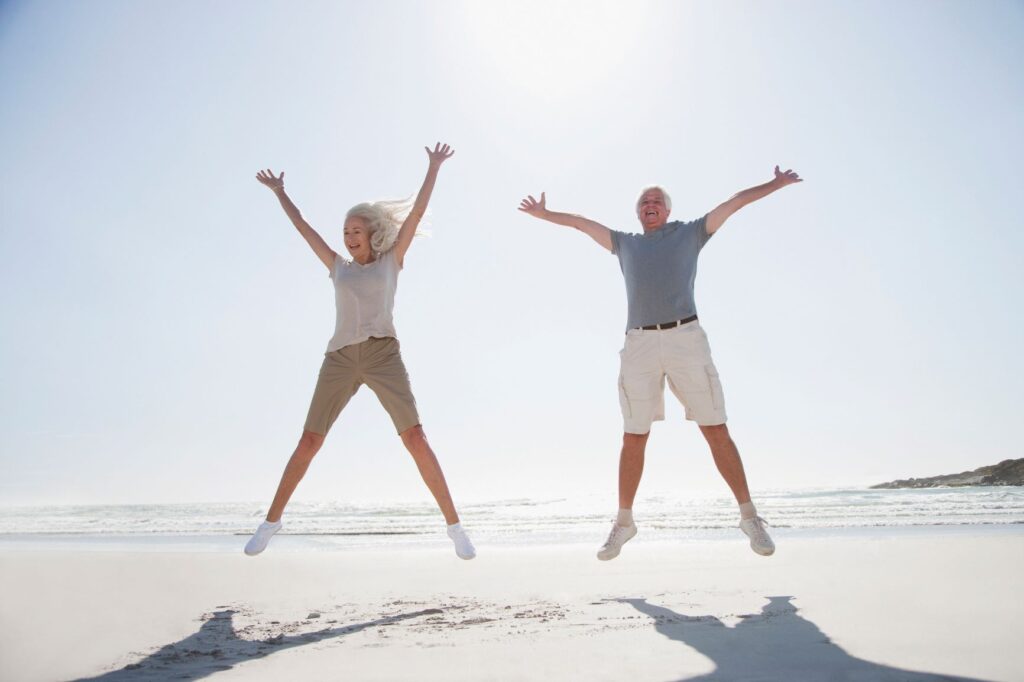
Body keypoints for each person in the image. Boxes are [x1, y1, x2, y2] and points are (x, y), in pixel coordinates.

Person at [518, 166, 802, 559]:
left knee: (715, 428)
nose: (649, 206)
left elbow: (733, 204)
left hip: (686, 338)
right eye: (643, 203)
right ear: (639, 214)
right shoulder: (626, 244)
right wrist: (545, 215)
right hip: (639, 343)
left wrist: (775, 184)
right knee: (634, 435)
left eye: (656, 201)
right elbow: (583, 224)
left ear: (667, 211)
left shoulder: (691, 233)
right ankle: (623, 522)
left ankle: (749, 516)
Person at [245, 143, 475, 560]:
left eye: (356, 231)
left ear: (371, 234)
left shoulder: (391, 262)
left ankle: (454, 527)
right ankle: (271, 522)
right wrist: (280, 193)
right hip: (339, 358)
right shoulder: (338, 267)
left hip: (383, 355)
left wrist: (433, 167)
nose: (349, 238)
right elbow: (303, 229)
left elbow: (418, 214)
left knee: (416, 438)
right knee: (309, 441)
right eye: (345, 232)